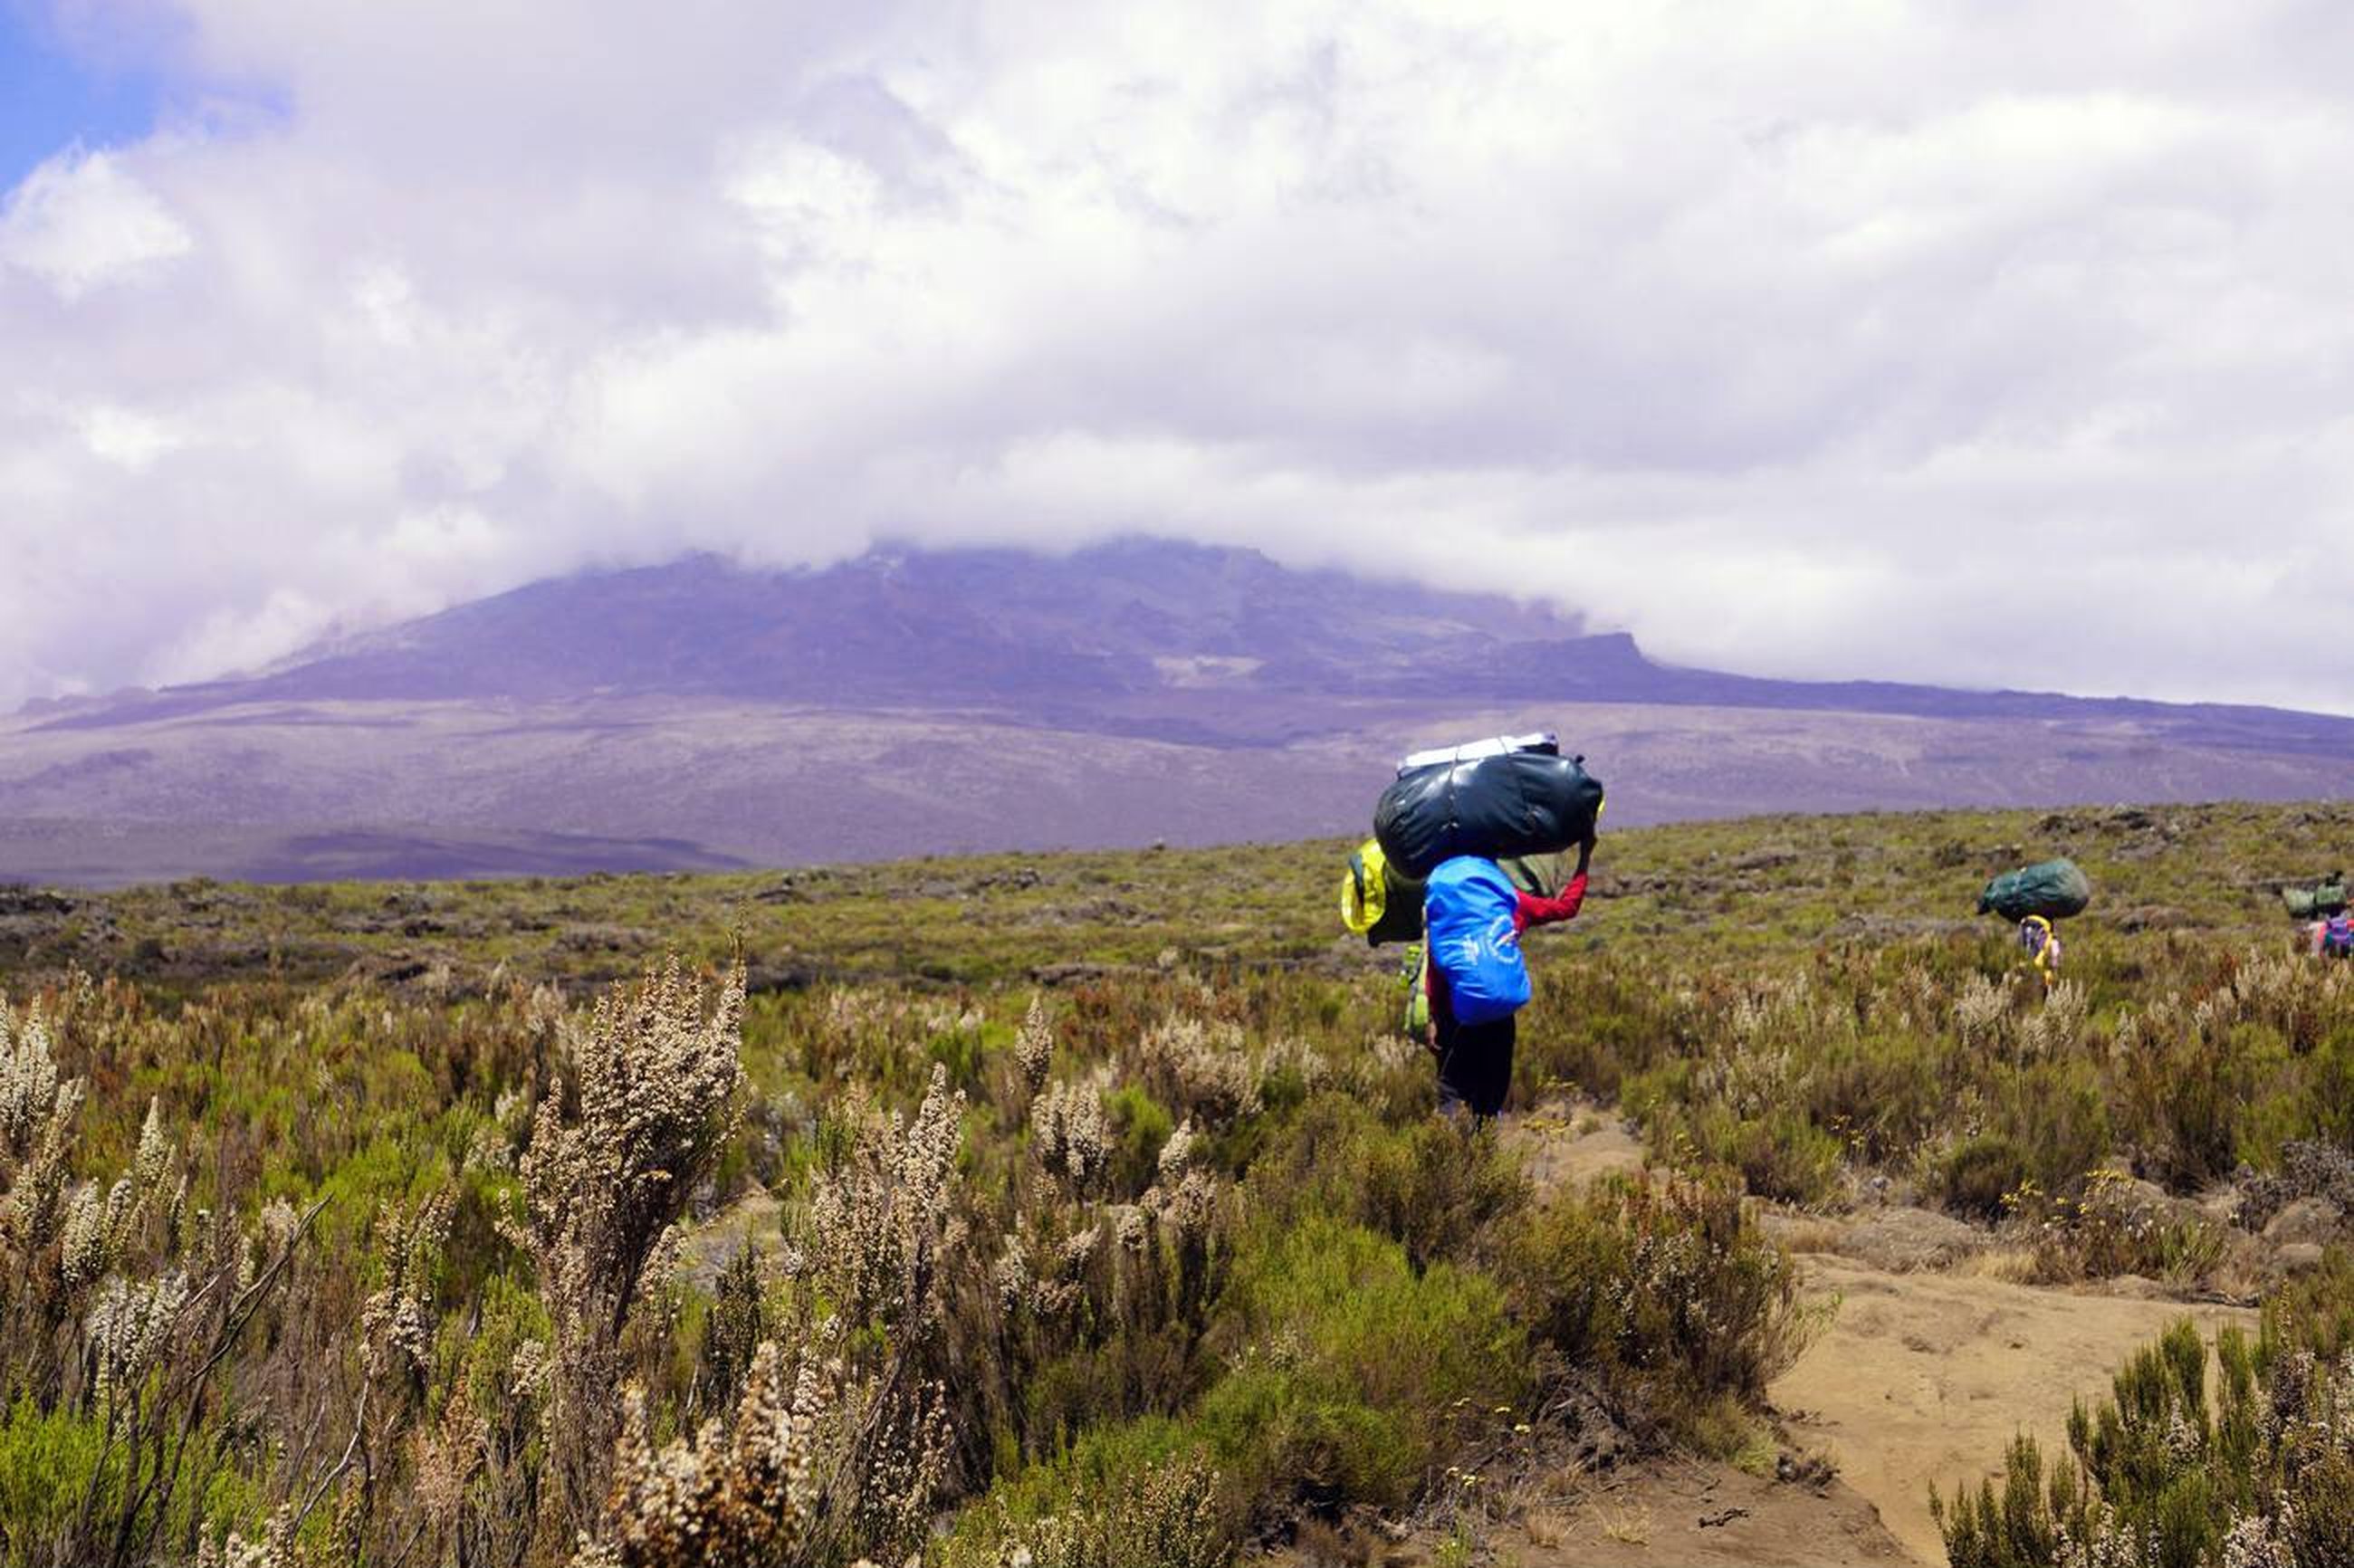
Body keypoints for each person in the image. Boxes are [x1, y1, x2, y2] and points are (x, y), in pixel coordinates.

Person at [1421, 830, 1593, 1122]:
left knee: (1452, 1092)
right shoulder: (1510, 900)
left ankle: (1449, 1157)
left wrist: (1434, 1016)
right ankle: (1483, 1153)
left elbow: (1437, 967)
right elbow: (1566, 908)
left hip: (1455, 1014)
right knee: (1490, 1094)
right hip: (1498, 1012)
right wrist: (1584, 858)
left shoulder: (1446, 904)